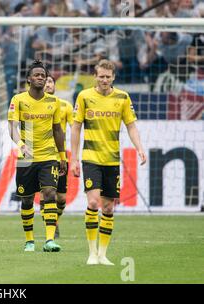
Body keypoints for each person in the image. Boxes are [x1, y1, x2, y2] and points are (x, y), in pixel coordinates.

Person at [70, 59, 147, 265]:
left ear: (113, 77)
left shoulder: (122, 97)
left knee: (109, 208)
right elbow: (76, 127)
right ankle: (91, 253)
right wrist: (74, 158)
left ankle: (103, 255)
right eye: (101, 76)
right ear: (95, 76)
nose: (104, 80)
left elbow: (131, 126)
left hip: (112, 159)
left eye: (107, 76)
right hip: (91, 158)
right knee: (93, 202)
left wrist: (139, 147)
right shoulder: (85, 96)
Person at [8, 60, 67, 253]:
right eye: (37, 75)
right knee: (26, 200)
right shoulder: (18, 100)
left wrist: (63, 156)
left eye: (43, 75)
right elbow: (13, 128)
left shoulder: (54, 102)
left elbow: (58, 130)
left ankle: (49, 240)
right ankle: (29, 241)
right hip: (26, 156)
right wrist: (21, 145)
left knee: (50, 193)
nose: (41, 78)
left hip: (49, 156)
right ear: (29, 79)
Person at [40, 74, 74, 239]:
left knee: (60, 198)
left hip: (60, 157)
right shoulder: (34, 105)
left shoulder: (65, 106)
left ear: (54, 85)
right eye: (45, 81)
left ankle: (55, 220)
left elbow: (75, 127)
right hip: (42, 155)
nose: (47, 84)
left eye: (50, 81)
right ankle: (50, 229)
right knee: (47, 193)